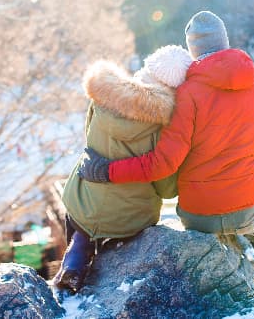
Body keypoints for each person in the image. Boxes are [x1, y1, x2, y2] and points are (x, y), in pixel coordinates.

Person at [77, 11, 254, 292]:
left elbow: (163, 164)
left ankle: (253, 243)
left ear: (193, 51)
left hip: (199, 215)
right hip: (250, 205)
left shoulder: (187, 94)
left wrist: (106, 170)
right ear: (226, 43)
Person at [52, 45, 193, 293]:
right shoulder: (164, 127)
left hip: (84, 203)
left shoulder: (103, 98)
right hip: (131, 219)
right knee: (121, 223)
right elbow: (166, 188)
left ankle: (77, 252)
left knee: (82, 217)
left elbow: (90, 142)